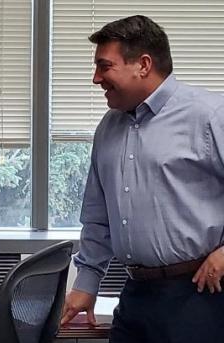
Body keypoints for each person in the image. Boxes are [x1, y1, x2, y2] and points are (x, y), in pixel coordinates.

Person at [60, 15, 224, 343]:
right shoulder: (109, 127)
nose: (96, 79)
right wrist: (86, 285)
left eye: (104, 66)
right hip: (134, 294)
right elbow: (98, 216)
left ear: (143, 65)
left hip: (199, 296)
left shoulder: (209, 116)